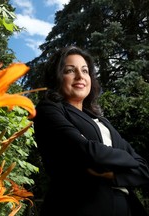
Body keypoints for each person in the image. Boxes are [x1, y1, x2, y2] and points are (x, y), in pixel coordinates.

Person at [33, 46, 149, 216]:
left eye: (85, 71)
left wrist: (112, 175)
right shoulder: (49, 110)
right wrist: (129, 159)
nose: (80, 76)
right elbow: (89, 153)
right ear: (57, 77)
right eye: (70, 70)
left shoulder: (102, 122)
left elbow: (144, 170)